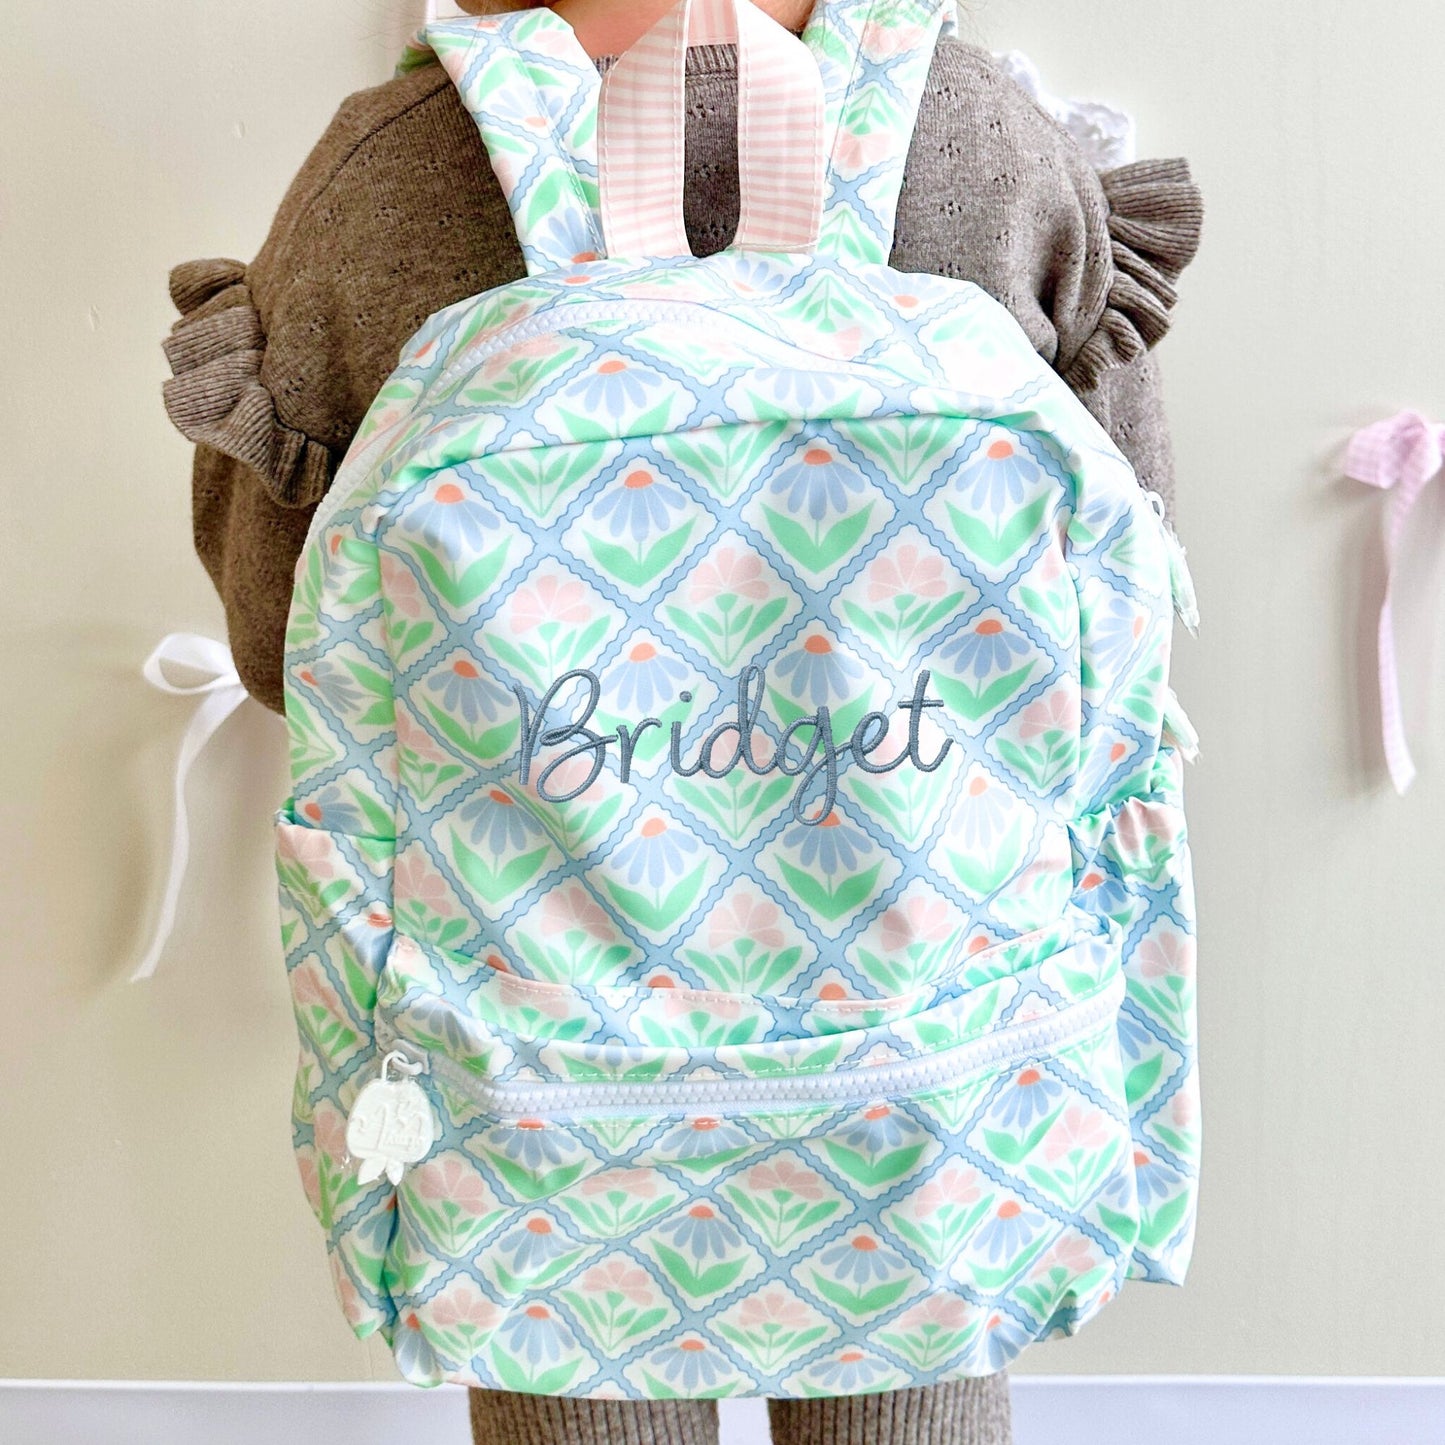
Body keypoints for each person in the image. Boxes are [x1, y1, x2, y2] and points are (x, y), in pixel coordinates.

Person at [161, 2, 1202, 1442]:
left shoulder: (391, 173)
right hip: (936, 1045)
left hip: (535, 1069)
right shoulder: (979, 136)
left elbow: (280, 639)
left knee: (554, 1333)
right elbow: (1131, 590)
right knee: (918, 1338)